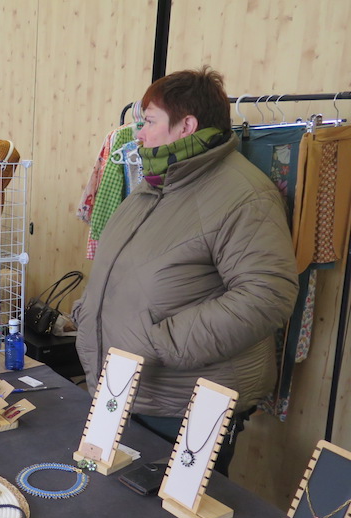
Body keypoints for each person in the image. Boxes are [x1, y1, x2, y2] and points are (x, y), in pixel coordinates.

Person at [73, 67, 299, 475]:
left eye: (149, 122)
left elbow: (267, 295)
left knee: (170, 516)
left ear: (187, 126)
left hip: (184, 404)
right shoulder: (154, 184)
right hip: (125, 390)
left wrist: (163, 342)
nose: (139, 135)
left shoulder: (245, 195)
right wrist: (88, 312)